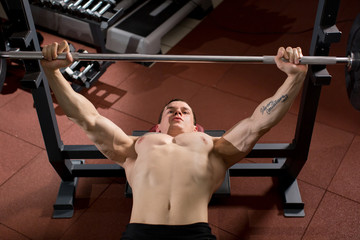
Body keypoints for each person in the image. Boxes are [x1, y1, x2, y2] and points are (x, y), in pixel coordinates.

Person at [40, 41, 308, 240]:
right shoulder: (136, 148)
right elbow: (89, 119)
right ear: (157, 126)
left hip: (195, 235)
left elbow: (258, 123)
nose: (178, 112)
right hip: (139, 234)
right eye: (171, 111)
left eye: (184, 111)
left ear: (197, 127)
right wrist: (53, 74)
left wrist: (295, 77)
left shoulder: (214, 148)